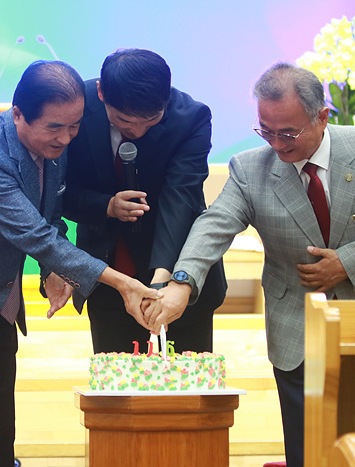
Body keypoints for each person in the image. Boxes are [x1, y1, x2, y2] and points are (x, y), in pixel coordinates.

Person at [144, 62, 355, 467]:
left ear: (322, 117)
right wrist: (182, 280)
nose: (277, 144)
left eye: (288, 133)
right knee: (305, 448)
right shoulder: (250, 169)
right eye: (266, 131)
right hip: (296, 325)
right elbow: (214, 225)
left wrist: (348, 262)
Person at [0, 60, 160, 467]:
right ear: (18, 113)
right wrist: (122, 282)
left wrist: (53, 268)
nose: (66, 138)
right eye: (55, 127)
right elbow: (35, 235)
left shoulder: (51, 149)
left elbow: (49, 215)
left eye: (74, 126)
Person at [63, 48, 226, 354]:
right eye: (124, 121)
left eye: (151, 120)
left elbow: (181, 197)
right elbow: (59, 190)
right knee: (116, 378)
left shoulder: (191, 118)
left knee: (185, 380)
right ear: (101, 93)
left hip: (177, 280)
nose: (136, 131)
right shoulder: (75, 107)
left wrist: (163, 280)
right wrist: (106, 206)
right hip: (108, 275)